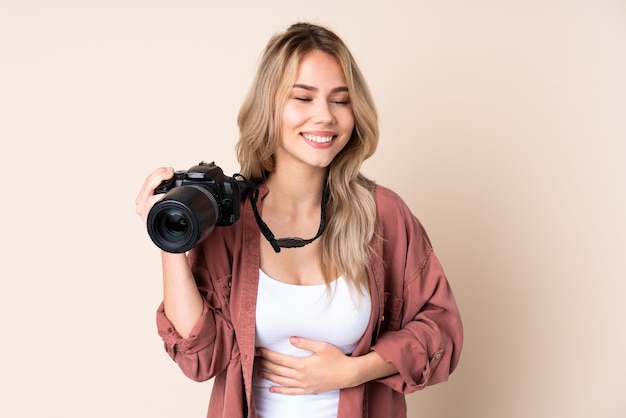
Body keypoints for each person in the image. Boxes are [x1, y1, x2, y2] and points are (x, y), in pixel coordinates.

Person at [135, 22, 463, 418]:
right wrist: (170, 232)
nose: (324, 116)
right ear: (269, 106)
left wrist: (354, 370)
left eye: (340, 101)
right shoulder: (229, 220)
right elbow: (200, 356)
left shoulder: (383, 215)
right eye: (303, 98)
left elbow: (441, 328)